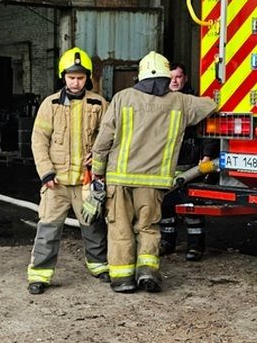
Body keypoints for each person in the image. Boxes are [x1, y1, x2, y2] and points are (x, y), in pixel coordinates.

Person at [90, 52, 216, 293]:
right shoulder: (180, 102)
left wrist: (98, 172)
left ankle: (123, 278)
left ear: (141, 75)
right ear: (165, 75)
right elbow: (210, 105)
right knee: (148, 228)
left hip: (119, 178)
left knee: (120, 228)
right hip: (152, 182)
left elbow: (103, 140)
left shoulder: (122, 97)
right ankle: (147, 273)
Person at [26, 48, 110, 295]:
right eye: (71, 77)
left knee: (93, 227)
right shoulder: (49, 104)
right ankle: (40, 275)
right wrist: (46, 173)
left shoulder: (99, 104)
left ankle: (99, 266)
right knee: (48, 229)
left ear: (88, 78)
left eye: (81, 77)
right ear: (63, 76)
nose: (76, 82)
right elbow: (38, 140)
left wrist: (97, 158)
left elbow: (107, 138)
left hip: (85, 180)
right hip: (57, 183)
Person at [158, 62, 219, 261]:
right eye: (170, 77)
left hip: (192, 164)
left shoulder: (194, 102)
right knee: (166, 205)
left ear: (185, 79)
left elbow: (208, 130)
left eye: (178, 77)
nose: (174, 81)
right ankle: (167, 242)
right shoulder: (160, 101)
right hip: (168, 164)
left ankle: (195, 247)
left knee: (192, 206)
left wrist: (207, 156)